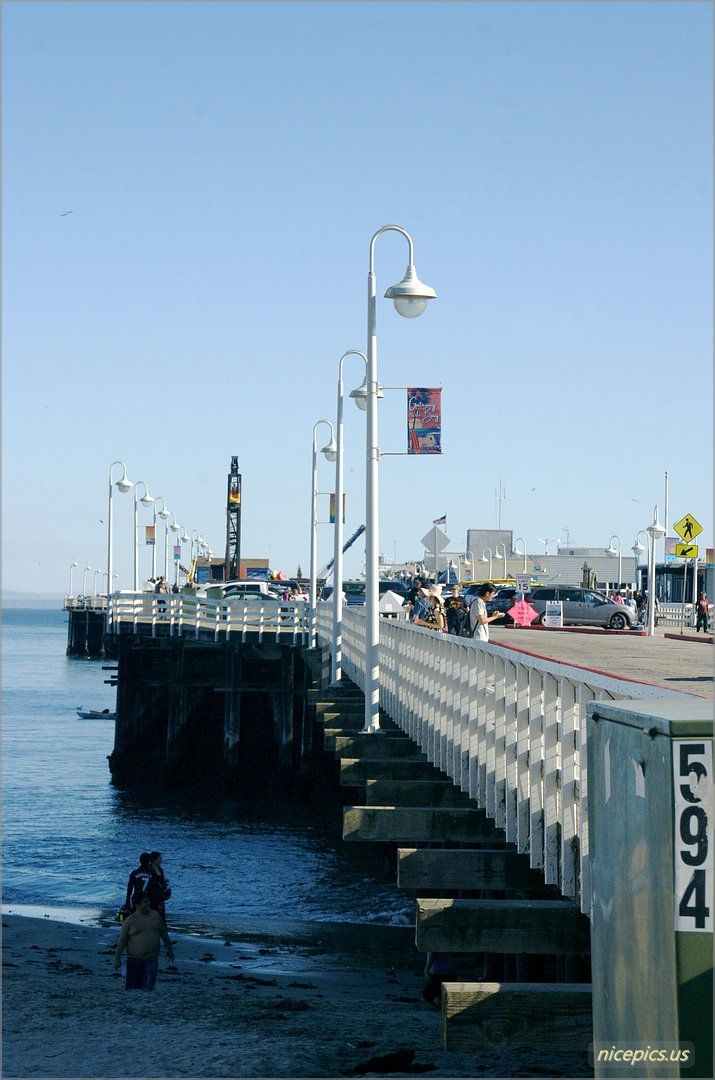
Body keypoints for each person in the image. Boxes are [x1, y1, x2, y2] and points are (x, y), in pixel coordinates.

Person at [114, 892, 174, 991]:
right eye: (145, 902)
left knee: (148, 989)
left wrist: (170, 950)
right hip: (134, 961)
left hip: (152, 960)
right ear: (137, 905)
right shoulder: (130, 921)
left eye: (148, 901)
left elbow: (164, 934)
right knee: (131, 990)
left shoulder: (156, 916)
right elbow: (122, 940)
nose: (148, 903)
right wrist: (117, 958)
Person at [147, 850, 171, 921]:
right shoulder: (149, 869)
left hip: (160, 894)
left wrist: (165, 884)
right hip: (151, 895)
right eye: (159, 858)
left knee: (160, 914)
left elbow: (161, 881)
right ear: (154, 859)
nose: (161, 860)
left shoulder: (160, 869)